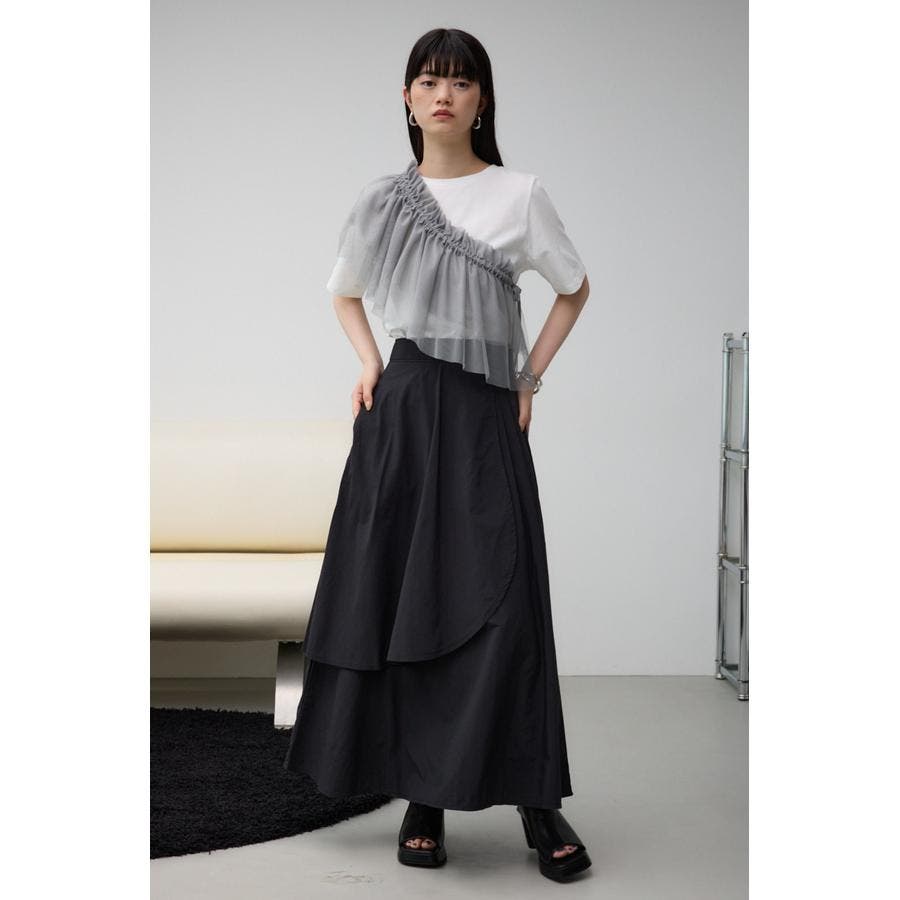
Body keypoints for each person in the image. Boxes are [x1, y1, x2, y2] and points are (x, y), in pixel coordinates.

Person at [283, 27, 592, 883]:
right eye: (428, 80)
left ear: (483, 99)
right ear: (408, 99)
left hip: (487, 411)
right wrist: (369, 361)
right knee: (407, 601)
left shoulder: (520, 196)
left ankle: (537, 800)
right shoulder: (385, 200)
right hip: (409, 409)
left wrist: (529, 377)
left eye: (460, 81)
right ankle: (423, 798)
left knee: (506, 603)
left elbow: (574, 288)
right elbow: (344, 291)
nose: (443, 94)